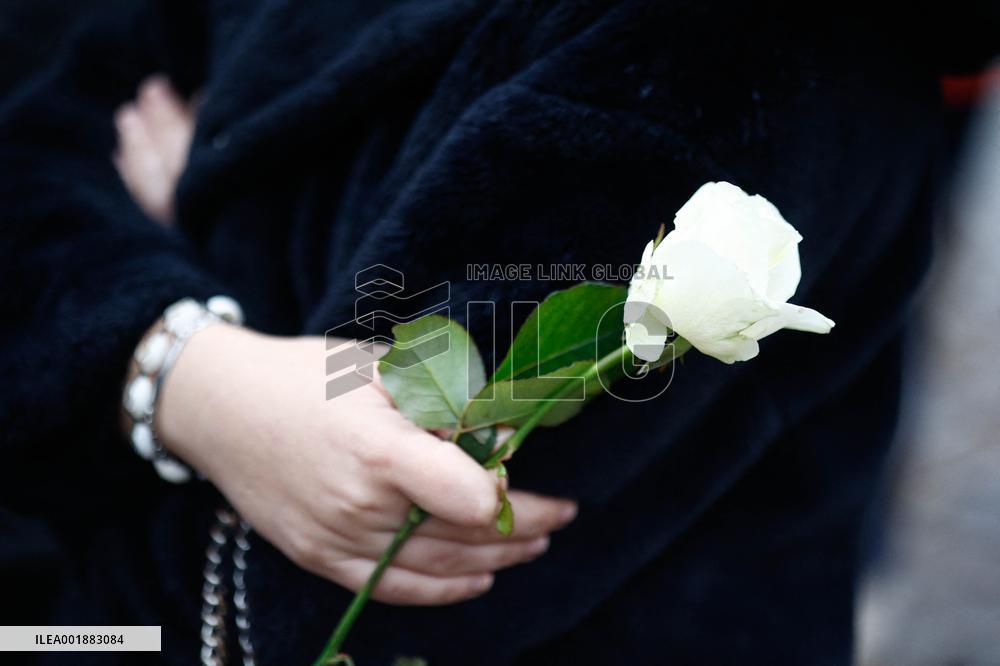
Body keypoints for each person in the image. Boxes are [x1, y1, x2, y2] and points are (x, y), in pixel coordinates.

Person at [0, 2, 994, 665]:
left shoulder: (729, 65)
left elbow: (303, 586)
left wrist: (174, 282)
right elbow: (38, 138)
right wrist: (187, 366)